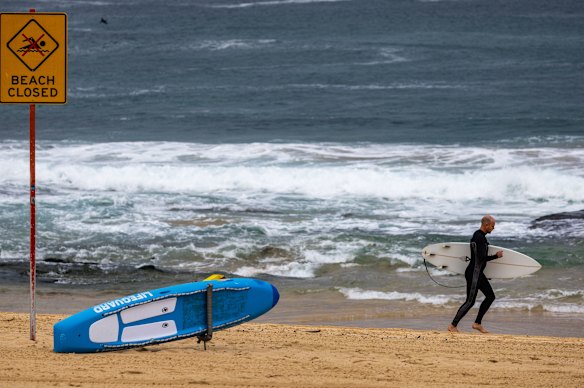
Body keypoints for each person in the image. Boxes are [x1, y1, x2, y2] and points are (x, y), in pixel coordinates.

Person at [448, 215, 503, 333]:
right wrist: (496, 256)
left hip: (477, 273)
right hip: (474, 274)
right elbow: (482, 257)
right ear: (486, 225)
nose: (493, 228)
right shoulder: (480, 238)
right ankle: (453, 325)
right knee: (470, 301)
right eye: (493, 226)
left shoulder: (478, 236)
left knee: (490, 296)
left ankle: (477, 323)